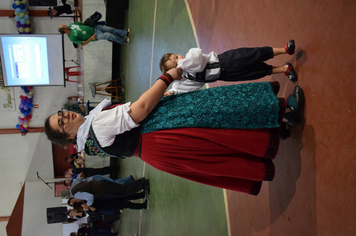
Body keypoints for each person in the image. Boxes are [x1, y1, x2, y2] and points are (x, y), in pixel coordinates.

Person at [45, 67, 305, 195]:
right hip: (161, 131)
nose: (65, 115)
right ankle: (284, 114)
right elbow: (141, 109)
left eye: (60, 114)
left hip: (157, 145)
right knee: (219, 110)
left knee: (220, 134)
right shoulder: (95, 126)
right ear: (68, 136)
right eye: (62, 122)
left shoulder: (91, 134)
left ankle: (274, 126)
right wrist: (167, 77)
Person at [159, 40, 298, 95]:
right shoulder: (186, 79)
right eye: (175, 65)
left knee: (254, 54)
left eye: (176, 57)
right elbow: (179, 90)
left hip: (226, 60)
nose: (179, 61)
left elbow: (197, 61)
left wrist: (180, 66)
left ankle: (284, 50)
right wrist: (170, 92)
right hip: (226, 75)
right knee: (254, 72)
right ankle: (284, 69)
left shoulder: (190, 56)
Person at [60, 178, 149, 206]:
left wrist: (88, 204)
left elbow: (90, 196)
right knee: (123, 188)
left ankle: (143, 184)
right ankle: (141, 182)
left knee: (124, 192)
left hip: (102, 189)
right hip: (100, 183)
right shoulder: (75, 186)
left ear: (68, 197)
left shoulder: (76, 195)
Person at [58, 23, 131, 48]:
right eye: (64, 26)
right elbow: (82, 44)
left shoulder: (72, 25)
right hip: (94, 35)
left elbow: (83, 23)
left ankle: (125, 33)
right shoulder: (71, 38)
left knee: (111, 29)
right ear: (64, 30)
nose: (66, 25)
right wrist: (91, 38)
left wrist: (92, 21)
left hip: (95, 27)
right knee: (109, 35)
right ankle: (123, 41)